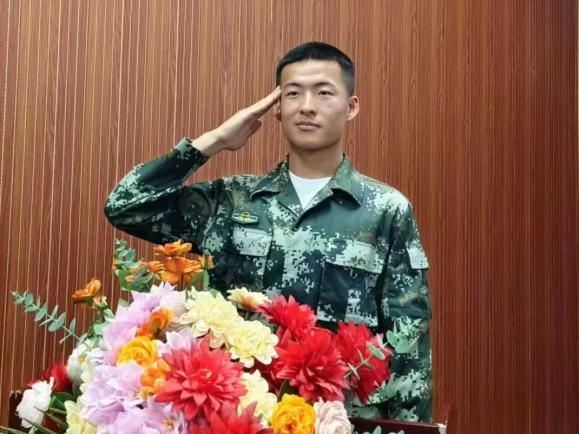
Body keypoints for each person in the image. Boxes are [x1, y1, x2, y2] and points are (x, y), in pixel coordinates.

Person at [104, 41, 432, 422]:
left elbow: (408, 341)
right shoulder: (233, 201)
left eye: (324, 93)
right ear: (276, 107)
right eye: (293, 93)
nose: (307, 106)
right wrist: (214, 141)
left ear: (351, 106)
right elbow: (126, 206)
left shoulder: (385, 210)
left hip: (340, 422)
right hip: (242, 418)